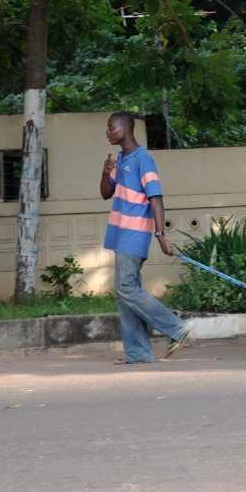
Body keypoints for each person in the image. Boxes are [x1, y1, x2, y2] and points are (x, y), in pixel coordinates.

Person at [100, 111, 190, 363]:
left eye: (111, 128)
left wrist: (161, 234)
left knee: (126, 287)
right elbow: (106, 193)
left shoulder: (143, 159)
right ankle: (138, 352)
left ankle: (177, 328)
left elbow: (156, 198)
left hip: (135, 232)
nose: (107, 132)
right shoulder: (120, 158)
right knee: (126, 292)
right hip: (120, 233)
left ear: (126, 129)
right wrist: (106, 172)